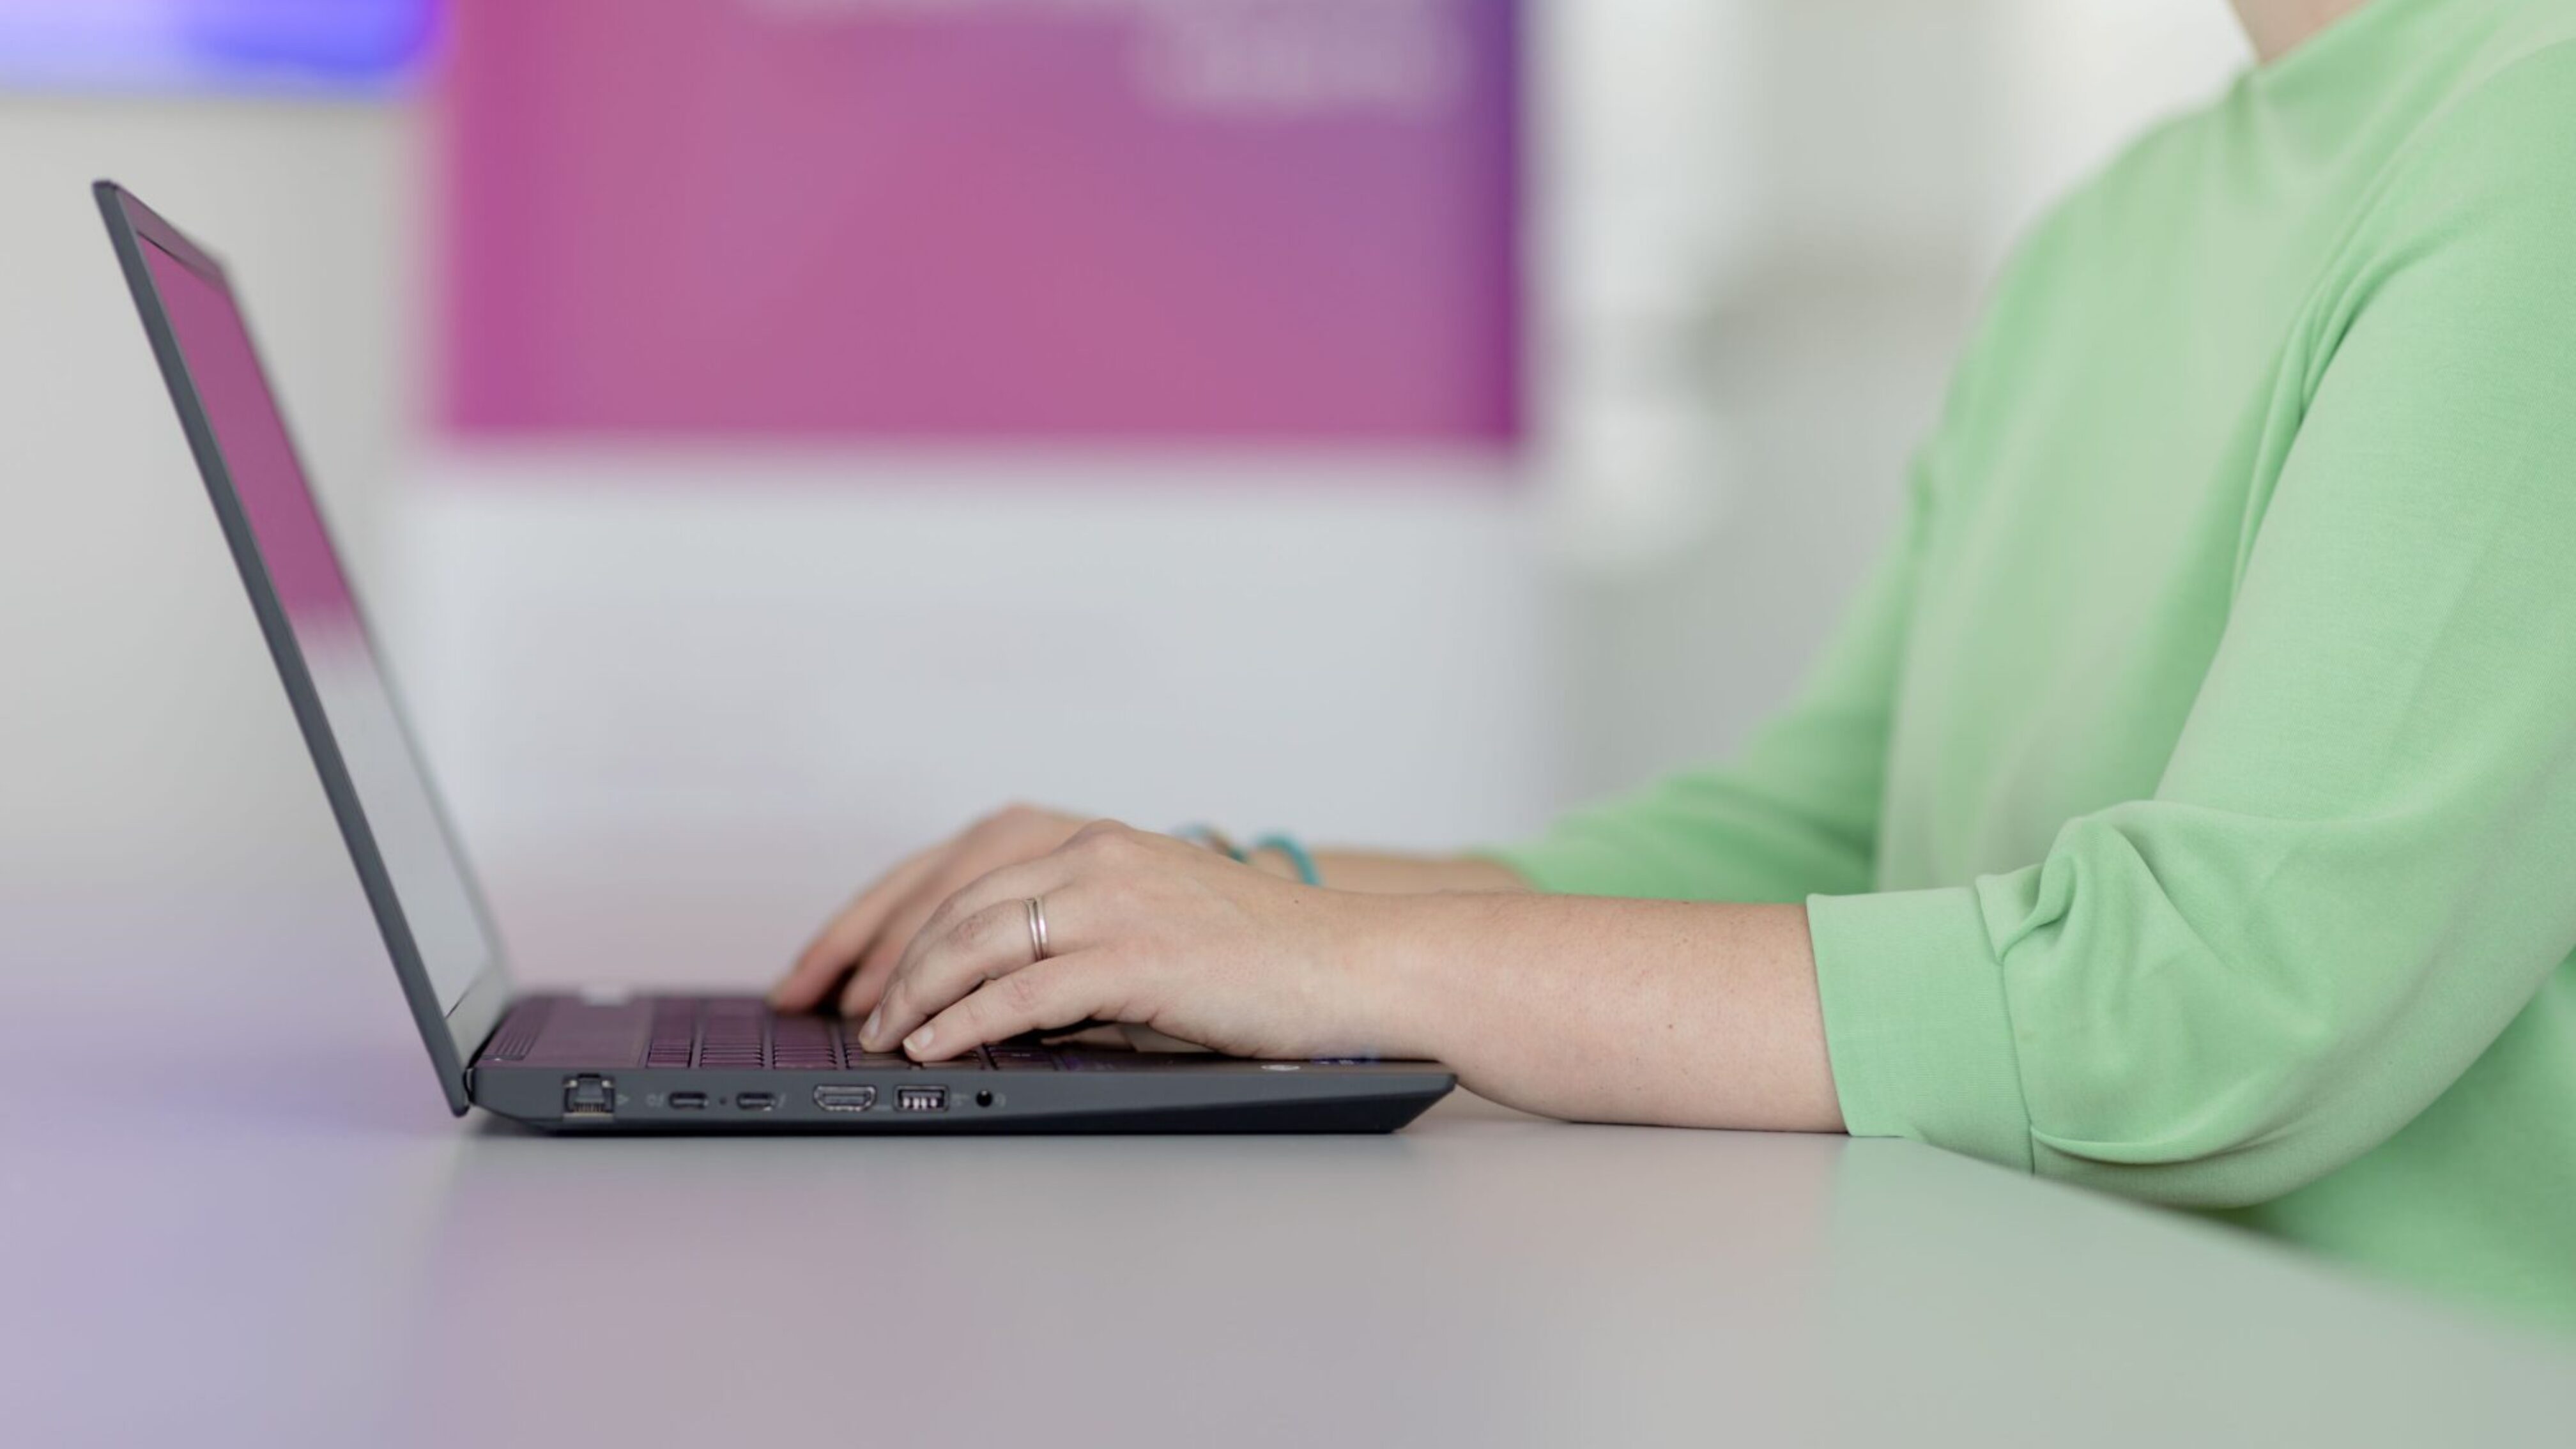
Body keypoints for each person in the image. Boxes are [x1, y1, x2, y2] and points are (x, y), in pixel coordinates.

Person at [772, 0, 2576, 1328]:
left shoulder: (2538, 143)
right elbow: (1829, 830)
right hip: (2042, 1346)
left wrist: (1337, 961)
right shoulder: (2115, 232)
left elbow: (2217, 1004)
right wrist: (1204, 907)